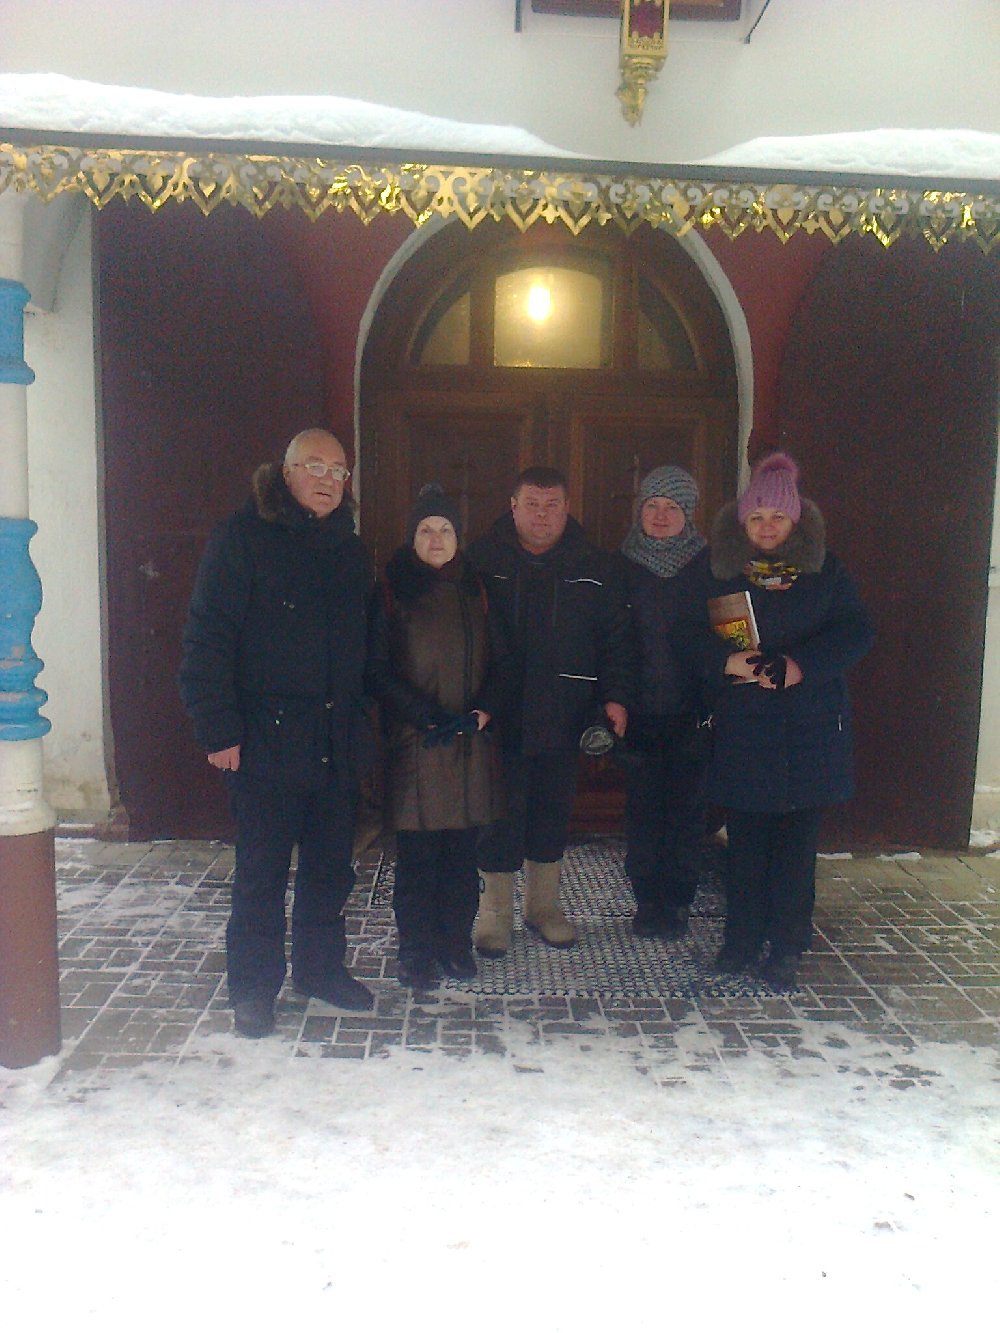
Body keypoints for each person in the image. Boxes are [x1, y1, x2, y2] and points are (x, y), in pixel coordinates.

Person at [179, 428, 375, 1037]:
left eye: (338, 470)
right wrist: (218, 729)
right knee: (262, 872)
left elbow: (367, 646)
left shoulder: (351, 551)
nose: (327, 479)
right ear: (286, 473)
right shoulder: (242, 540)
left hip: (334, 740)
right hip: (265, 739)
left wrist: (366, 720)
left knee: (330, 869)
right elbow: (208, 639)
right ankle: (254, 986)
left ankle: (320, 970)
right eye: (314, 466)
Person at [702, 451, 873, 990]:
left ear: (795, 520)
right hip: (745, 730)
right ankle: (741, 940)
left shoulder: (826, 572)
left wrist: (800, 666)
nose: (767, 527)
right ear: (742, 522)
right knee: (746, 847)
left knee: (796, 851)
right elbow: (688, 636)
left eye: (777, 516)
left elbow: (855, 632)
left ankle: (787, 945)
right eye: (756, 517)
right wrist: (726, 662)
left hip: (809, 731)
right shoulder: (720, 572)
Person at [466, 466, 634, 956]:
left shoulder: (595, 566)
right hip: (500, 713)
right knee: (499, 815)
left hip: (566, 712)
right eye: (533, 505)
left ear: (567, 508)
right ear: (513, 506)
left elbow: (616, 639)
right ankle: (494, 913)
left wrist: (615, 697)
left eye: (552, 505)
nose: (542, 515)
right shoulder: (480, 561)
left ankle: (543, 907)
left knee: (552, 812)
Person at [366, 484, 505, 988]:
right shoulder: (391, 590)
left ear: (458, 537)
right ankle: (416, 952)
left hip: (469, 744)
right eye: (426, 530)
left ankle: (454, 944)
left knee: (462, 860)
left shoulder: (478, 589)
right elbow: (376, 670)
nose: (437, 539)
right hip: (417, 745)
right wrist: (421, 714)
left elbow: (503, 660)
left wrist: (486, 708)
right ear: (412, 538)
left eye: (446, 529)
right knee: (418, 862)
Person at [614, 465, 711, 940]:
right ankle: (647, 900)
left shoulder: (711, 567)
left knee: (686, 813)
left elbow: (731, 633)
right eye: (652, 504)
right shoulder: (620, 566)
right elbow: (611, 638)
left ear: (688, 514)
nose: (660, 515)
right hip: (638, 712)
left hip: (692, 712)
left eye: (672, 507)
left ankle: (677, 901)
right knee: (643, 811)